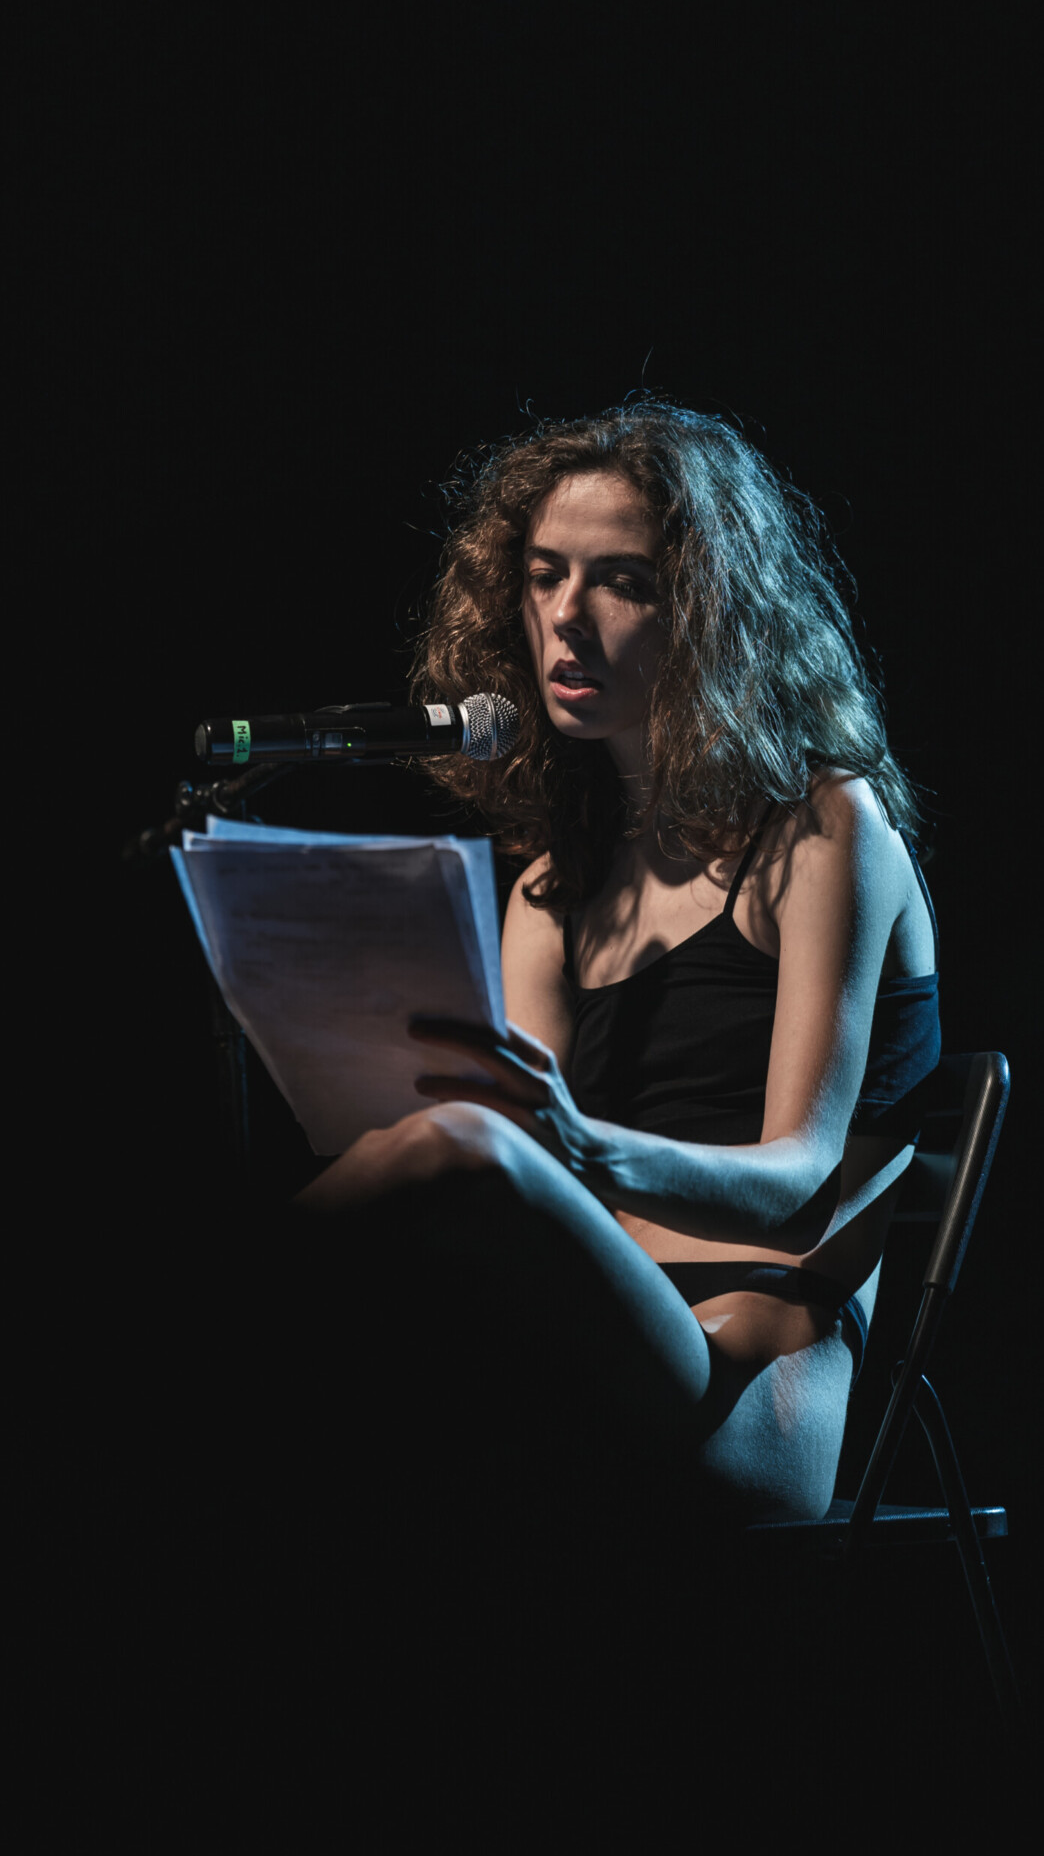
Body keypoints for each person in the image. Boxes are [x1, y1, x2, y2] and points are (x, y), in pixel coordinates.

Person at [295, 402, 939, 1536]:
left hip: (747, 1397)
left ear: (712, 613)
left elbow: (800, 1177)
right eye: (544, 576)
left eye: (623, 583)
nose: (565, 617)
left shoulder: (826, 829)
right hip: (579, 1371)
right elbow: (524, 1174)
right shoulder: (554, 889)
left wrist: (574, 1144)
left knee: (459, 1150)